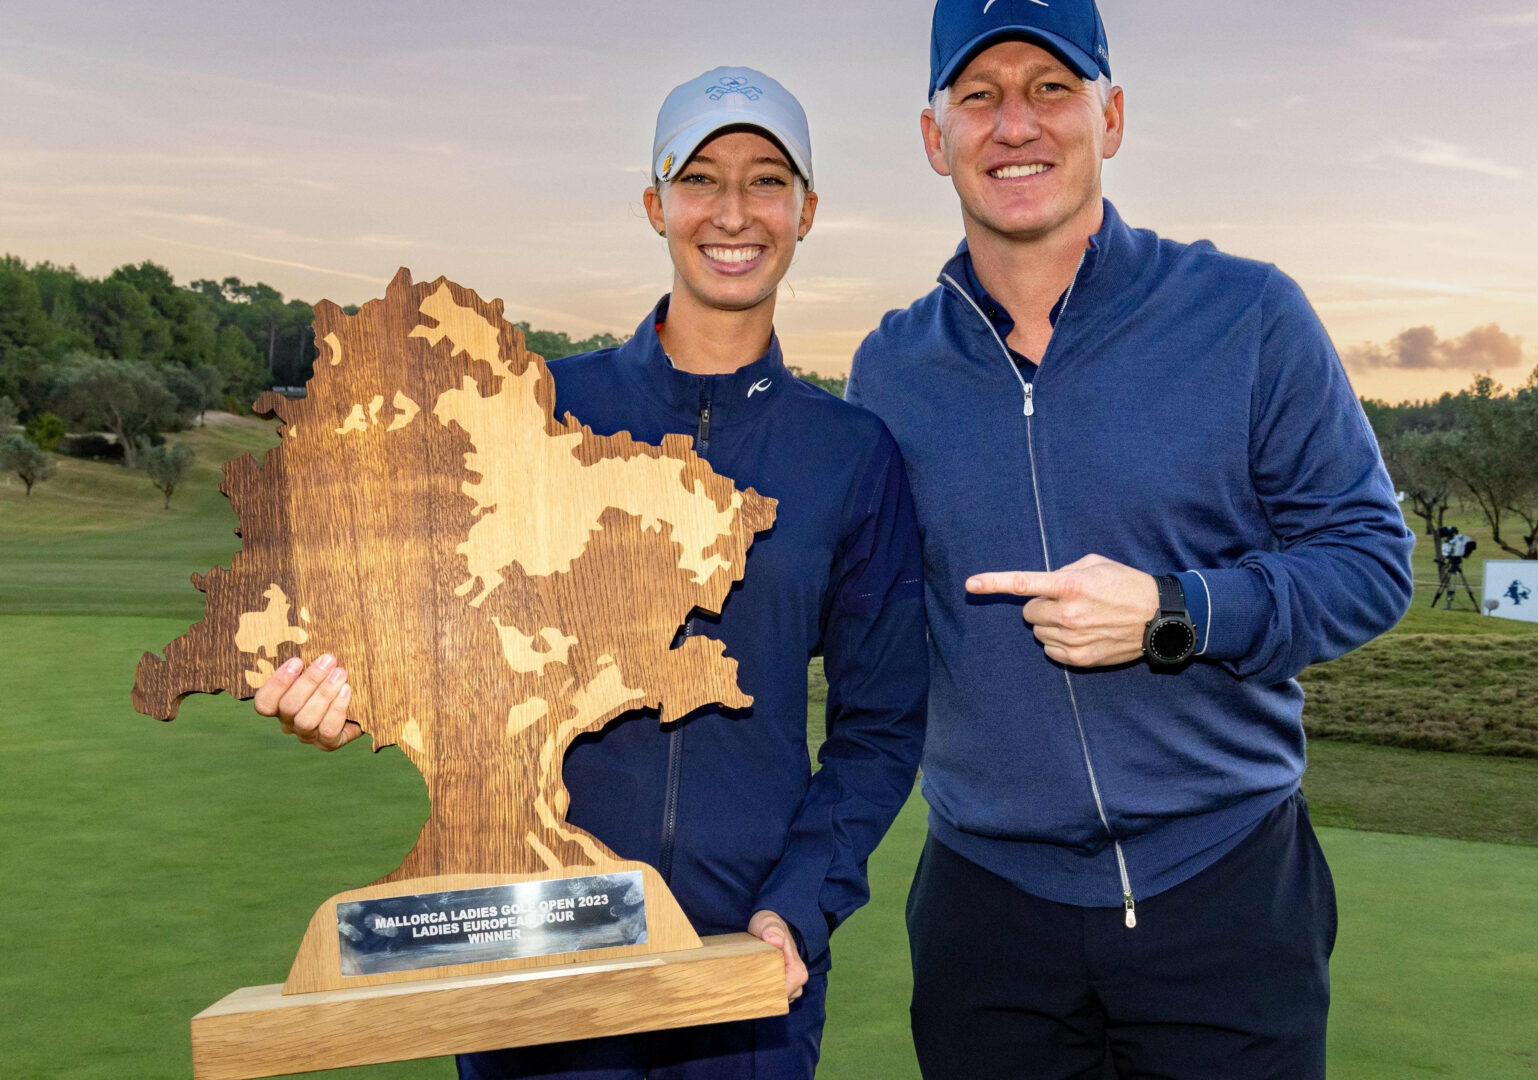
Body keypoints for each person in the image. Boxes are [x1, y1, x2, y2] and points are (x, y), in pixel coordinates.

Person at [252, 67, 928, 1080]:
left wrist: (799, 902)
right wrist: (349, 695)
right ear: (655, 205)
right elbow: (426, 634)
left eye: (766, 181)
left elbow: (878, 729)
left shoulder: (851, 454)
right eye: (700, 179)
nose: (733, 212)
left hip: (746, 971)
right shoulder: (536, 411)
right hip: (530, 960)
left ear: (807, 211)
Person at [845, 2, 1416, 1077]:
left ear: (1110, 117)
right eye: (980, 96)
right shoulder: (890, 369)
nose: (1016, 124)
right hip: (987, 910)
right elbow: (864, 618)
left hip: (1225, 890)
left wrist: (1175, 610)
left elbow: (1370, 563)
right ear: (935, 139)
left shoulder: (1246, 313)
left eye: (1052, 89)